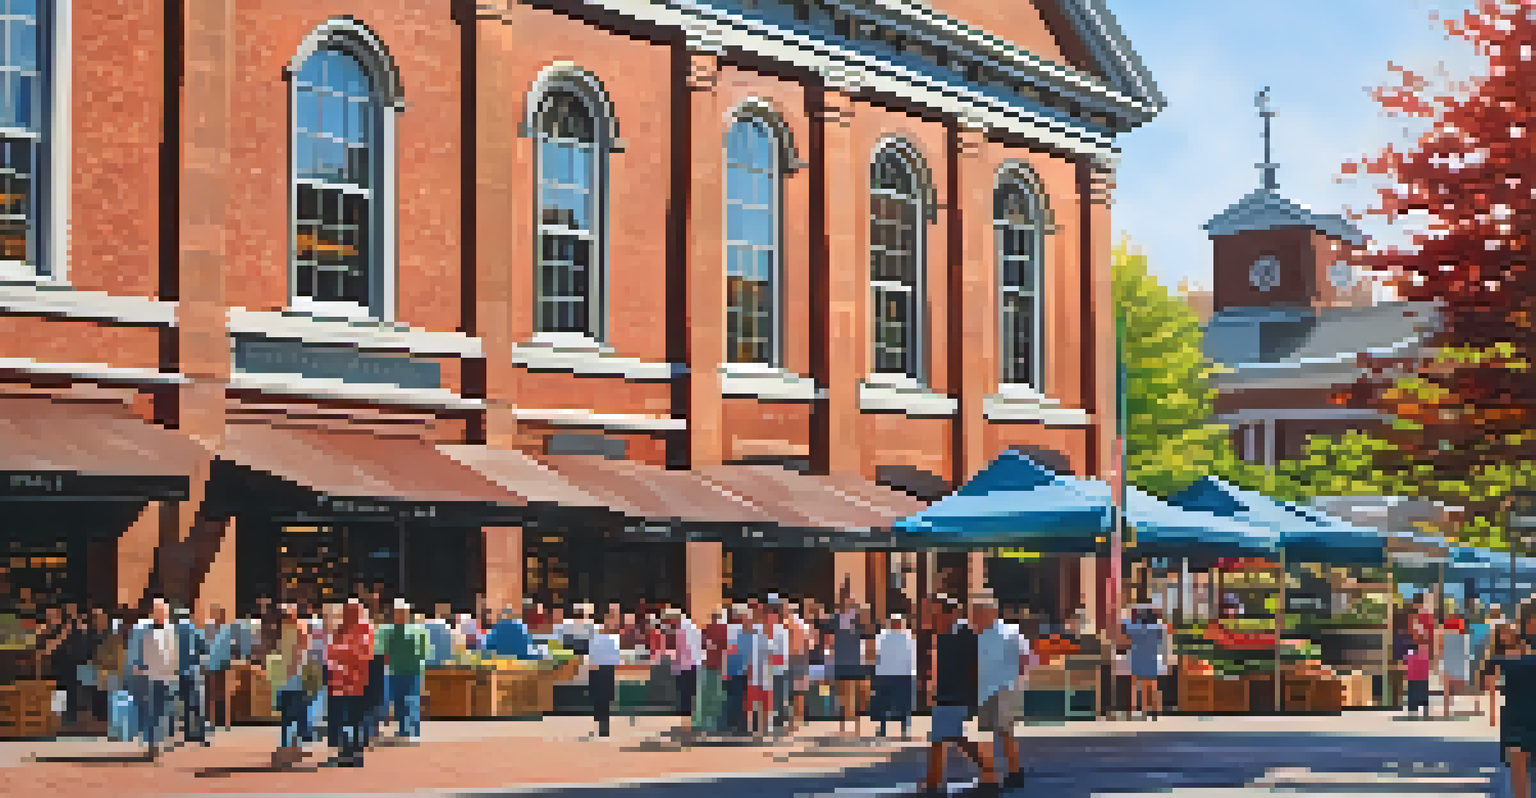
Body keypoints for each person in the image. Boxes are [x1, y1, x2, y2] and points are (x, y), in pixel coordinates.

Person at [924, 604, 996, 796]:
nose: (933, 619)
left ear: (951, 614)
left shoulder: (967, 634)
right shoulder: (941, 634)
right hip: (945, 694)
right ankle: (933, 785)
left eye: (936, 614)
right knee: (943, 739)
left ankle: (989, 772)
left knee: (949, 738)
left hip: (959, 695)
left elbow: (979, 662)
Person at [974, 599, 1028, 790]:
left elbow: (1024, 658)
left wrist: (1018, 684)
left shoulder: (1010, 631)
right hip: (983, 689)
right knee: (987, 735)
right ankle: (989, 775)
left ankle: (1014, 773)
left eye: (978, 612)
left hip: (1005, 688)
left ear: (991, 612)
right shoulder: (976, 633)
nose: (974, 616)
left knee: (1005, 732)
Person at [267, 603, 324, 768]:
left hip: (295, 680)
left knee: (292, 715)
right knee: (288, 716)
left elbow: (300, 653)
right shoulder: (286, 630)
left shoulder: (298, 628)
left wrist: (290, 669)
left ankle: (291, 748)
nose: (283, 616)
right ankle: (289, 747)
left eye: (285, 613)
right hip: (287, 681)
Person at [1488, 604, 1536, 798]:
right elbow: (1491, 677)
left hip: (1521, 714)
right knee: (1518, 767)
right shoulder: (1517, 648)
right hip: (1516, 717)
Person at [126, 597, 179, 759]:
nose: (163, 615)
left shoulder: (170, 629)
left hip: (165, 675)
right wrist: (136, 666)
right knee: (149, 711)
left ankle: (157, 742)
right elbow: (134, 649)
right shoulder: (141, 627)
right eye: (160, 612)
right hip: (146, 676)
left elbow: (173, 650)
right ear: (153, 612)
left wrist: (174, 671)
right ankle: (151, 743)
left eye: (165, 612)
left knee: (162, 710)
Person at [325, 599, 375, 768]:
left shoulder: (354, 629)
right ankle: (351, 753)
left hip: (348, 684)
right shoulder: (359, 629)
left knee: (349, 719)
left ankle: (350, 753)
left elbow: (334, 652)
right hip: (352, 683)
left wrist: (338, 653)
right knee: (353, 720)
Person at [376, 599, 432, 743]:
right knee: (399, 701)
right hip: (395, 672)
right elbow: (381, 652)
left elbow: (425, 652)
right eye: (398, 612)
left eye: (403, 612)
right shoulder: (386, 631)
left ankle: (413, 731)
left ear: (408, 614)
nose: (400, 615)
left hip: (412, 672)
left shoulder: (418, 631)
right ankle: (403, 730)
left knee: (412, 700)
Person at [874, 612, 916, 739]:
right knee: (904, 704)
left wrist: (876, 671)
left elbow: (876, 655)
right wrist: (913, 673)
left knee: (884, 703)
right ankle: (904, 730)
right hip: (903, 674)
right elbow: (912, 657)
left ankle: (883, 729)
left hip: (885, 674)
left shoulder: (882, 636)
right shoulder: (908, 636)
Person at [1122, 607, 1167, 719]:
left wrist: (1127, 612)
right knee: (1151, 685)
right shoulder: (1157, 629)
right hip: (1151, 659)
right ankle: (1154, 710)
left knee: (1135, 686)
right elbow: (1162, 641)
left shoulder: (1135, 628)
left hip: (1137, 659)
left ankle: (1133, 711)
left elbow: (1124, 626)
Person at [588, 607, 623, 739]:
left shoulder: (612, 637)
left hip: (606, 669)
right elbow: (594, 654)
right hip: (601, 669)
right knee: (602, 699)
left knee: (604, 699)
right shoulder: (600, 635)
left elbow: (615, 657)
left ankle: (603, 726)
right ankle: (603, 726)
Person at [695, 607, 729, 734]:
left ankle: (704, 722)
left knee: (707, 694)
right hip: (719, 665)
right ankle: (713, 722)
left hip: (709, 664)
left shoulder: (707, 628)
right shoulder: (725, 629)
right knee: (716, 695)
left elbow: (701, 645)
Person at [670, 608, 701, 730]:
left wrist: (675, 667)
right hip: (694, 664)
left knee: (685, 694)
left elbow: (680, 651)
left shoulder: (681, 630)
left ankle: (686, 723)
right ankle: (691, 719)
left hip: (685, 665)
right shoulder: (693, 627)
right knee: (692, 692)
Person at [722, 605, 749, 736]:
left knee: (736, 699)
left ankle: (735, 724)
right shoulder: (740, 630)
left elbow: (729, 652)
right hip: (741, 670)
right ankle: (739, 724)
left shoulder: (733, 629)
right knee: (739, 699)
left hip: (737, 671)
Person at [1440, 615, 1471, 718]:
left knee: (1447, 686)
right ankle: (1449, 707)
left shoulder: (1445, 637)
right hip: (1457, 662)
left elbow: (1441, 650)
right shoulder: (1463, 637)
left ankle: (1447, 708)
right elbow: (1466, 652)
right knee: (1456, 685)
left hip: (1449, 662)